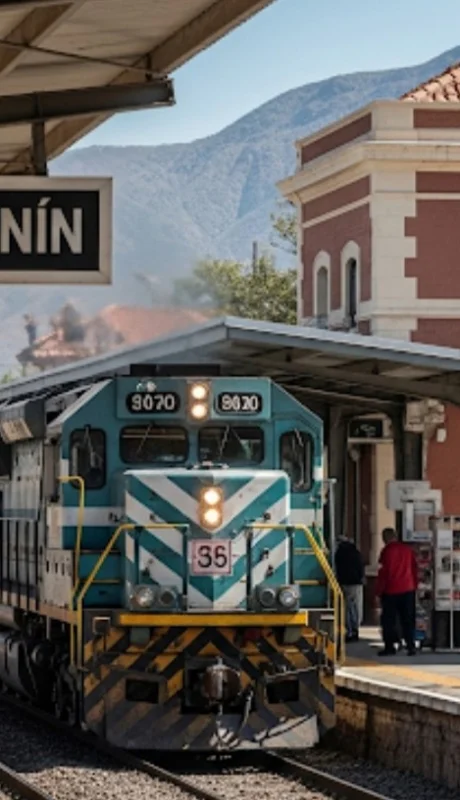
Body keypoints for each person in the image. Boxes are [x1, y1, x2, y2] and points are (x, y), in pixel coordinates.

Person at [375, 527, 418, 656]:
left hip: (391, 591)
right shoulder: (407, 550)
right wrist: (414, 586)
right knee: (408, 619)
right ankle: (411, 646)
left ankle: (390, 647)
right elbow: (414, 569)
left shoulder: (386, 552)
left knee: (389, 620)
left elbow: (383, 574)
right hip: (408, 589)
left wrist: (378, 592)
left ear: (385, 538)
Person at [335, 535, 364, 643]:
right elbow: (360, 567)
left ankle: (349, 630)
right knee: (354, 607)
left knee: (346, 607)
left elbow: (337, 567)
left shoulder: (339, 553)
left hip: (344, 582)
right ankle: (355, 629)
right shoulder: (355, 552)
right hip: (356, 583)